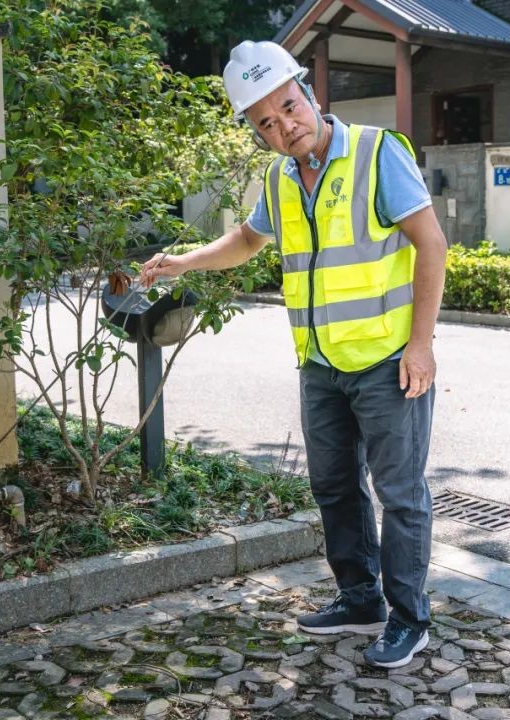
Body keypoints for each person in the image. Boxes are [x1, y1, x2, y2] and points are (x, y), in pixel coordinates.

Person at [140, 40, 447, 668]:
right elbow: (247, 240)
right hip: (321, 364)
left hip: (390, 363)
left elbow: (432, 244)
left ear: (308, 92)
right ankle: (360, 599)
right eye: (267, 123)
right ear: (256, 132)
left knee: (401, 494)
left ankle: (410, 620)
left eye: (288, 107)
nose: (284, 126)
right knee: (334, 486)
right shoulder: (280, 177)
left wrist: (421, 346)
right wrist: (181, 261)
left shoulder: (375, 153)